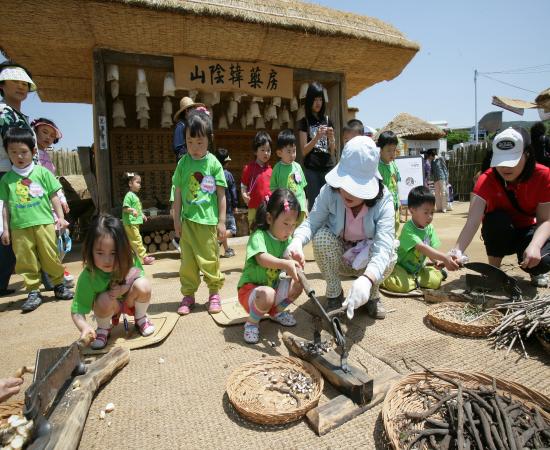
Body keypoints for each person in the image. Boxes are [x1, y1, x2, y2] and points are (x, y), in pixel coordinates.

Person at [286, 136, 397, 319]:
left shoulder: (384, 200)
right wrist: (297, 241)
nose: (346, 191)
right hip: (340, 256)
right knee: (321, 236)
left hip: (367, 259)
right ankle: (334, 293)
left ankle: (372, 294)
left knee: (391, 251)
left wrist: (368, 279)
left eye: (355, 186)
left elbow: (383, 246)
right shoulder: (329, 192)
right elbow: (312, 222)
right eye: (345, 183)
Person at [450, 128, 550, 287]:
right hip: (501, 231)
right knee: (496, 220)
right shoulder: (487, 179)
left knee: (544, 260)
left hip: (529, 231)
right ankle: (493, 270)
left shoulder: (543, 175)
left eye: (512, 160)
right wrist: (457, 251)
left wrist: (535, 245)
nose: (505, 168)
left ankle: (536, 271)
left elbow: (545, 220)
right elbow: (472, 222)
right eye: (500, 161)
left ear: (527, 154)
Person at [0, 127, 73, 312]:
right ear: (7, 153)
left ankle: (59, 285)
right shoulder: (6, 179)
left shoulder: (42, 173)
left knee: (50, 255)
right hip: (19, 228)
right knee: (25, 260)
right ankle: (33, 291)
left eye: (23, 152)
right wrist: (6, 229)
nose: (19, 156)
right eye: (13, 152)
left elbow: (54, 196)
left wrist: (61, 218)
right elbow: (5, 206)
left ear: (33, 151)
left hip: (44, 223)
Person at [70, 214, 155, 350]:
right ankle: (103, 328)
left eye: (114, 253)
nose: (107, 260)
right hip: (108, 307)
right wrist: (84, 327)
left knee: (143, 285)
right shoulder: (89, 276)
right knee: (104, 298)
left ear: (123, 249)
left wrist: (124, 288)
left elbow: (138, 277)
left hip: (129, 301)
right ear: (89, 250)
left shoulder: (129, 260)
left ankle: (140, 318)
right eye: (100, 253)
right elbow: (77, 310)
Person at [172, 110, 227, 315]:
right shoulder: (183, 163)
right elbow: (177, 193)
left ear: (209, 140)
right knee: (187, 262)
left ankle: (214, 293)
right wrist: (176, 219)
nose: (194, 148)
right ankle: (188, 294)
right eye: (190, 142)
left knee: (210, 259)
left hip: (207, 223)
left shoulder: (213, 163)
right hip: (188, 222)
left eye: (200, 143)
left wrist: (221, 221)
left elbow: (221, 195)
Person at [237, 189, 303, 344]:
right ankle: (252, 323)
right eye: (285, 223)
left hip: (272, 290)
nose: (289, 230)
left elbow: (288, 256)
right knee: (267, 294)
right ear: (269, 218)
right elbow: (262, 259)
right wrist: (285, 263)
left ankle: (275, 312)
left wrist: (296, 260)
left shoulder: (286, 240)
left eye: (293, 225)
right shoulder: (259, 236)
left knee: (298, 285)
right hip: (251, 292)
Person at [0, 61, 36, 297]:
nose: (21, 87)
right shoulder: (2, 112)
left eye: (25, 83)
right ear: (2, 84)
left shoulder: (17, 113)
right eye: (15, 82)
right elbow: (14, 148)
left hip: (21, 174)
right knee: (8, 228)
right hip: (8, 174)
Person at [382, 186, 459, 293]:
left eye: (432, 212)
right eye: (426, 212)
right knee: (401, 285)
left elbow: (430, 250)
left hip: (417, 269)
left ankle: (416, 280)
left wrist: (436, 262)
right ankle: (382, 278)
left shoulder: (429, 228)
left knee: (435, 282)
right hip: (400, 267)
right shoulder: (408, 229)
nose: (430, 217)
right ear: (412, 210)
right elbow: (422, 248)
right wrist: (444, 257)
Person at [31, 117, 74, 288]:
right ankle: (52, 273)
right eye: (44, 132)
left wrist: (61, 198)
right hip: (41, 202)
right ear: (34, 132)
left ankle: (52, 271)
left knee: (61, 236)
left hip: (51, 200)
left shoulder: (45, 155)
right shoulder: (33, 155)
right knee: (52, 238)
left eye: (51, 135)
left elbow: (52, 181)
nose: (48, 137)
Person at [298, 82, 336, 211]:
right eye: (315, 99)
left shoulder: (327, 119)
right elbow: (304, 150)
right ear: (309, 101)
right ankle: (313, 231)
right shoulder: (304, 122)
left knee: (329, 203)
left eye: (320, 99)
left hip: (328, 167)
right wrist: (316, 137)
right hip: (312, 169)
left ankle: (328, 230)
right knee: (314, 204)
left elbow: (332, 151)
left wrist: (331, 138)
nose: (318, 103)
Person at [270, 129, 307, 226]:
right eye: (289, 151)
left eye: (294, 151)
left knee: (300, 233)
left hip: (300, 207)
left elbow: (302, 188)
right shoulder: (277, 168)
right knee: (288, 231)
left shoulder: (298, 166)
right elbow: (273, 189)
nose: (292, 155)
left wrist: (305, 207)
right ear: (279, 153)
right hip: (286, 208)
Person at [122, 172, 155, 265]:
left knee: (131, 241)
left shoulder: (134, 196)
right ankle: (144, 257)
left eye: (140, 183)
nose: (140, 185)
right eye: (137, 182)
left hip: (133, 223)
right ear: (130, 184)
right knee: (137, 240)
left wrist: (142, 214)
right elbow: (125, 208)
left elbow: (138, 209)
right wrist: (132, 210)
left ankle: (130, 259)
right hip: (131, 223)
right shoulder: (129, 195)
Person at [241, 131, 273, 227]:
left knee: (268, 233)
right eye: (262, 150)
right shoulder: (248, 168)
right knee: (254, 233)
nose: (266, 153)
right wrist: (244, 195)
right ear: (255, 151)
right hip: (253, 208)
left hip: (268, 209)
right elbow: (243, 186)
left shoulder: (271, 170)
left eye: (268, 150)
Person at [215, 147, 238, 258]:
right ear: (226, 162)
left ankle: (227, 250)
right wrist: (235, 205)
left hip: (216, 209)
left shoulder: (213, 174)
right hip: (227, 209)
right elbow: (233, 192)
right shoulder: (228, 175)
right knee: (233, 230)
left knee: (222, 228)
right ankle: (216, 240)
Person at [377, 131, 401, 234]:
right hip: (384, 204)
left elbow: (396, 183)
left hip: (394, 203)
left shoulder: (393, 165)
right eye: (388, 150)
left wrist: (398, 200)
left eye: (394, 150)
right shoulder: (377, 167)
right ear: (380, 150)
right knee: (386, 228)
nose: (392, 153)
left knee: (396, 225)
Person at [172, 96, 205, 161]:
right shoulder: (181, 126)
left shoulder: (190, 125)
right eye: (193, 109)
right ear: (187, 111)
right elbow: (178, 148)